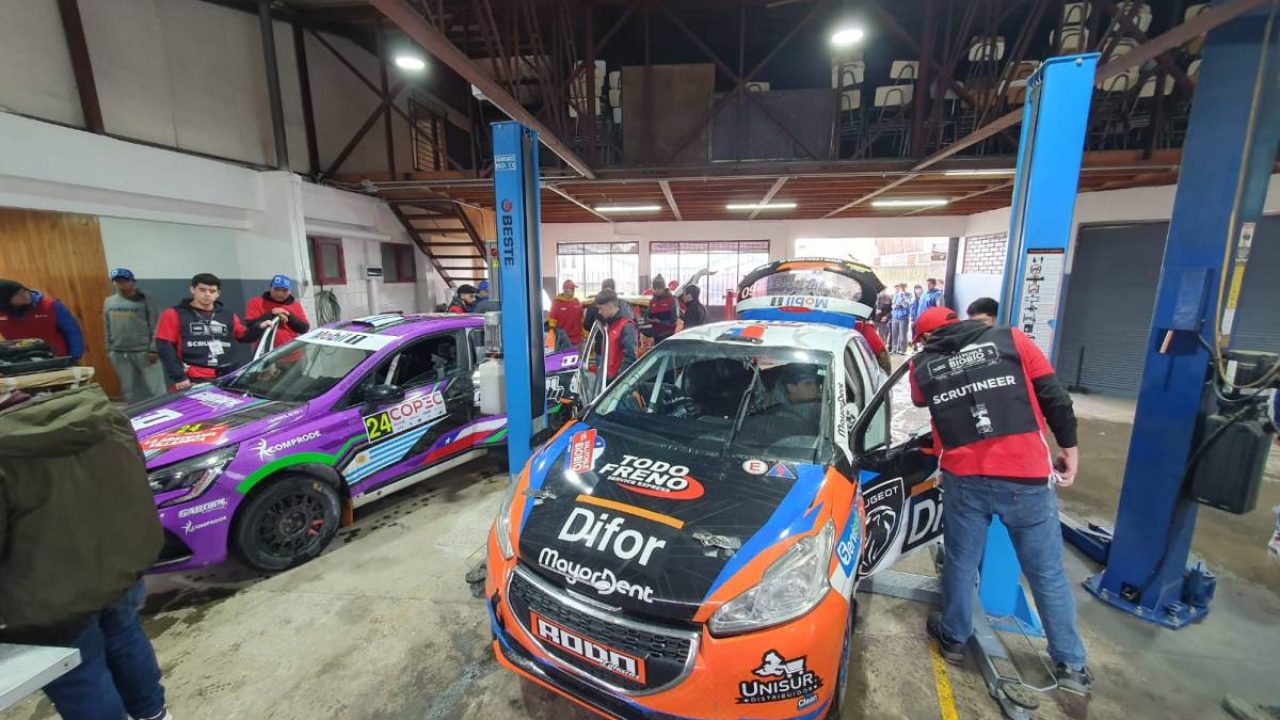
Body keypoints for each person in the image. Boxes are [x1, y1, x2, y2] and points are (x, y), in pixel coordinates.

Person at [908, 306, 1091, 695]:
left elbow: (920, 400)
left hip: (964, 476)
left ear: (924, 338)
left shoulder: (921, 364)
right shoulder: (1013, 340)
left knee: (961, 561)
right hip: (1025, 476)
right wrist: (1070, 448)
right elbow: (1054, 397)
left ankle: (954, 638)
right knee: (1046, 572)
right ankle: (1071, 664)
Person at [0, 384, 171, 720]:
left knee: (80, 674)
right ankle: (154, 714)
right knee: (125, 637)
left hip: (46, 598)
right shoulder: (99, 415)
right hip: (116, 567)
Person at [155, 273, 259, 391]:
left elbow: (244, 336)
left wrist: (260, 326)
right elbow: (165, 347)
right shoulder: (173, 313)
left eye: (212, 291)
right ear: (192, 289)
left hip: (226, 376)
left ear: (218, 293)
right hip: (192, 377)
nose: (207, 294)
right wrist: (179, 377)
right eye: (202, 290)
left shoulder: (228, 315)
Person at [103, 269, 163, 404]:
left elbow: (157, 324)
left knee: (156, 388)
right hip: (119, 352)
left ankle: (164, 410)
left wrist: (154, 349)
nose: (121, 284)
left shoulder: (146, 300)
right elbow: (107, 325)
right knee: (129, 390)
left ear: (132, 282)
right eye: (117, 281)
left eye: (124, 281)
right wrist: (109, 349)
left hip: (144, 351)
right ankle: (136, 413)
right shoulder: (109, 301)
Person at [0, 279, 84, 362]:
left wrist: (73, 357)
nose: (24, 295)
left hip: (59, 359)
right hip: (22, 362)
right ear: (5, 300)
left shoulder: (50, 305)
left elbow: (72, 331)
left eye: (24, 290)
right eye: (17, 294)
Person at [245, 275, 310, 349]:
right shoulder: (256, 302)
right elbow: (250, 326)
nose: (280, 293)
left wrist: (288, 314)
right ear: (270, 288)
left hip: (292, 350)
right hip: (266, 353)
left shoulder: (295, 305)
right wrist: (272, 313)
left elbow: (304, 328)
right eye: (276, 289)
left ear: (290, 292)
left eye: (284, 291)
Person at [591, 289, 638, 378]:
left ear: (609, 306)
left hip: (616, 380)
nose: (599, 312)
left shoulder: (626, 326)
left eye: (600, 308)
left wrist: (617, 379)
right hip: (608, 377)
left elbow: (630, 358)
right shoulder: (611, 323)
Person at [549, 279, 584, 345]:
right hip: (563, 342)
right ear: (564, 289)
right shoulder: (557, 303)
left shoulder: (576, 301)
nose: (573, 290)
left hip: (577, 341)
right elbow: (552, 324)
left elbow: (581, 321)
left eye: (573, 289)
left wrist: (584, 335)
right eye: (571, 288)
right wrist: (551, 342)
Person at [647, 275, 678, 343]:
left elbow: (674, 321)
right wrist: (649, 319)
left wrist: (661, 322)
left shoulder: (671, 300)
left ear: (664, 288)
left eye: (659, 288)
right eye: (655, 288)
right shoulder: (652, 301)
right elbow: (648, 316)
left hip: (668, 335)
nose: (657, 290)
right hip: (656, 336)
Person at [891, 283, 912, 355]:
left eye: (903, 287)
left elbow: (907, 305)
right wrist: (894, 306)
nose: (902, 289)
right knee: (894, 334)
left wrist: (902, 298)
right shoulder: (896, 295)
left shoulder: (909, 295)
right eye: (900, 287)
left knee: (903, 335)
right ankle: (894, 349)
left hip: (903, 318)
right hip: (895, 317)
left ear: (906, 287)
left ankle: (903, 350)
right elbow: (893, 305)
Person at [908, 284, 926, 348]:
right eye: (916, 289)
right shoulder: (914, 299)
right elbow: (912, 310)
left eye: (919, 288)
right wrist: (912, 319)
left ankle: (922, 346)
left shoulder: (924, 298)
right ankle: (914, 347)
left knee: (922, 333)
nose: (917, 290)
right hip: (915, 319)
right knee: (914, 332)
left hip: (922, 318)